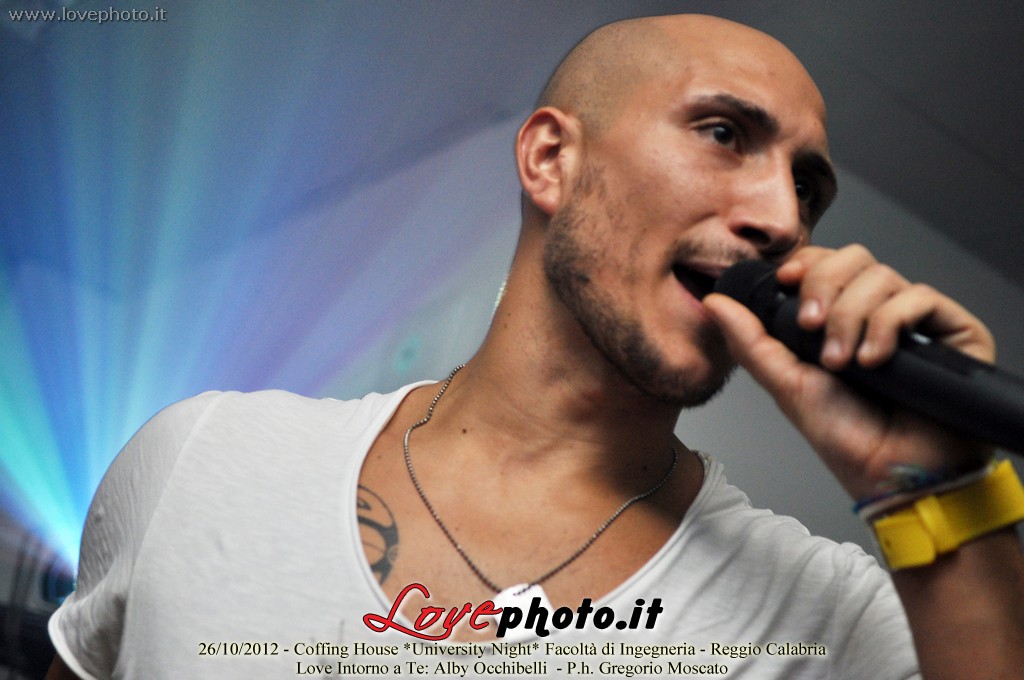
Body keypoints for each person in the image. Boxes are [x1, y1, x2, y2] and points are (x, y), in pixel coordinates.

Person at [46, 14, 1024, 680]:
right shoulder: (199, 457)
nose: (781, 218)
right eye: (724, 133)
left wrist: (941, 493)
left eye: (807, 189)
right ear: (551, 159)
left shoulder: (836, 622)